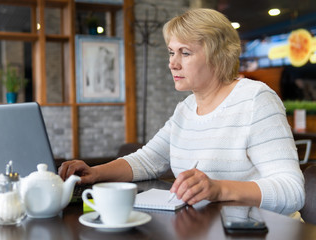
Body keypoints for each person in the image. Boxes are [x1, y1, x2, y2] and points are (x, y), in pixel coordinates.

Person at [59, 8, 305, 216]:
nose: (172, 63)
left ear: (219, 56)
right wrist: (95, 172)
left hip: (261, 231)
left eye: (185, 53)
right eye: (171, 52)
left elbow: (292, 191)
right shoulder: (186, 109)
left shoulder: (255, 99)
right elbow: (148, 160)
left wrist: (218, 189)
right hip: (201, 228)